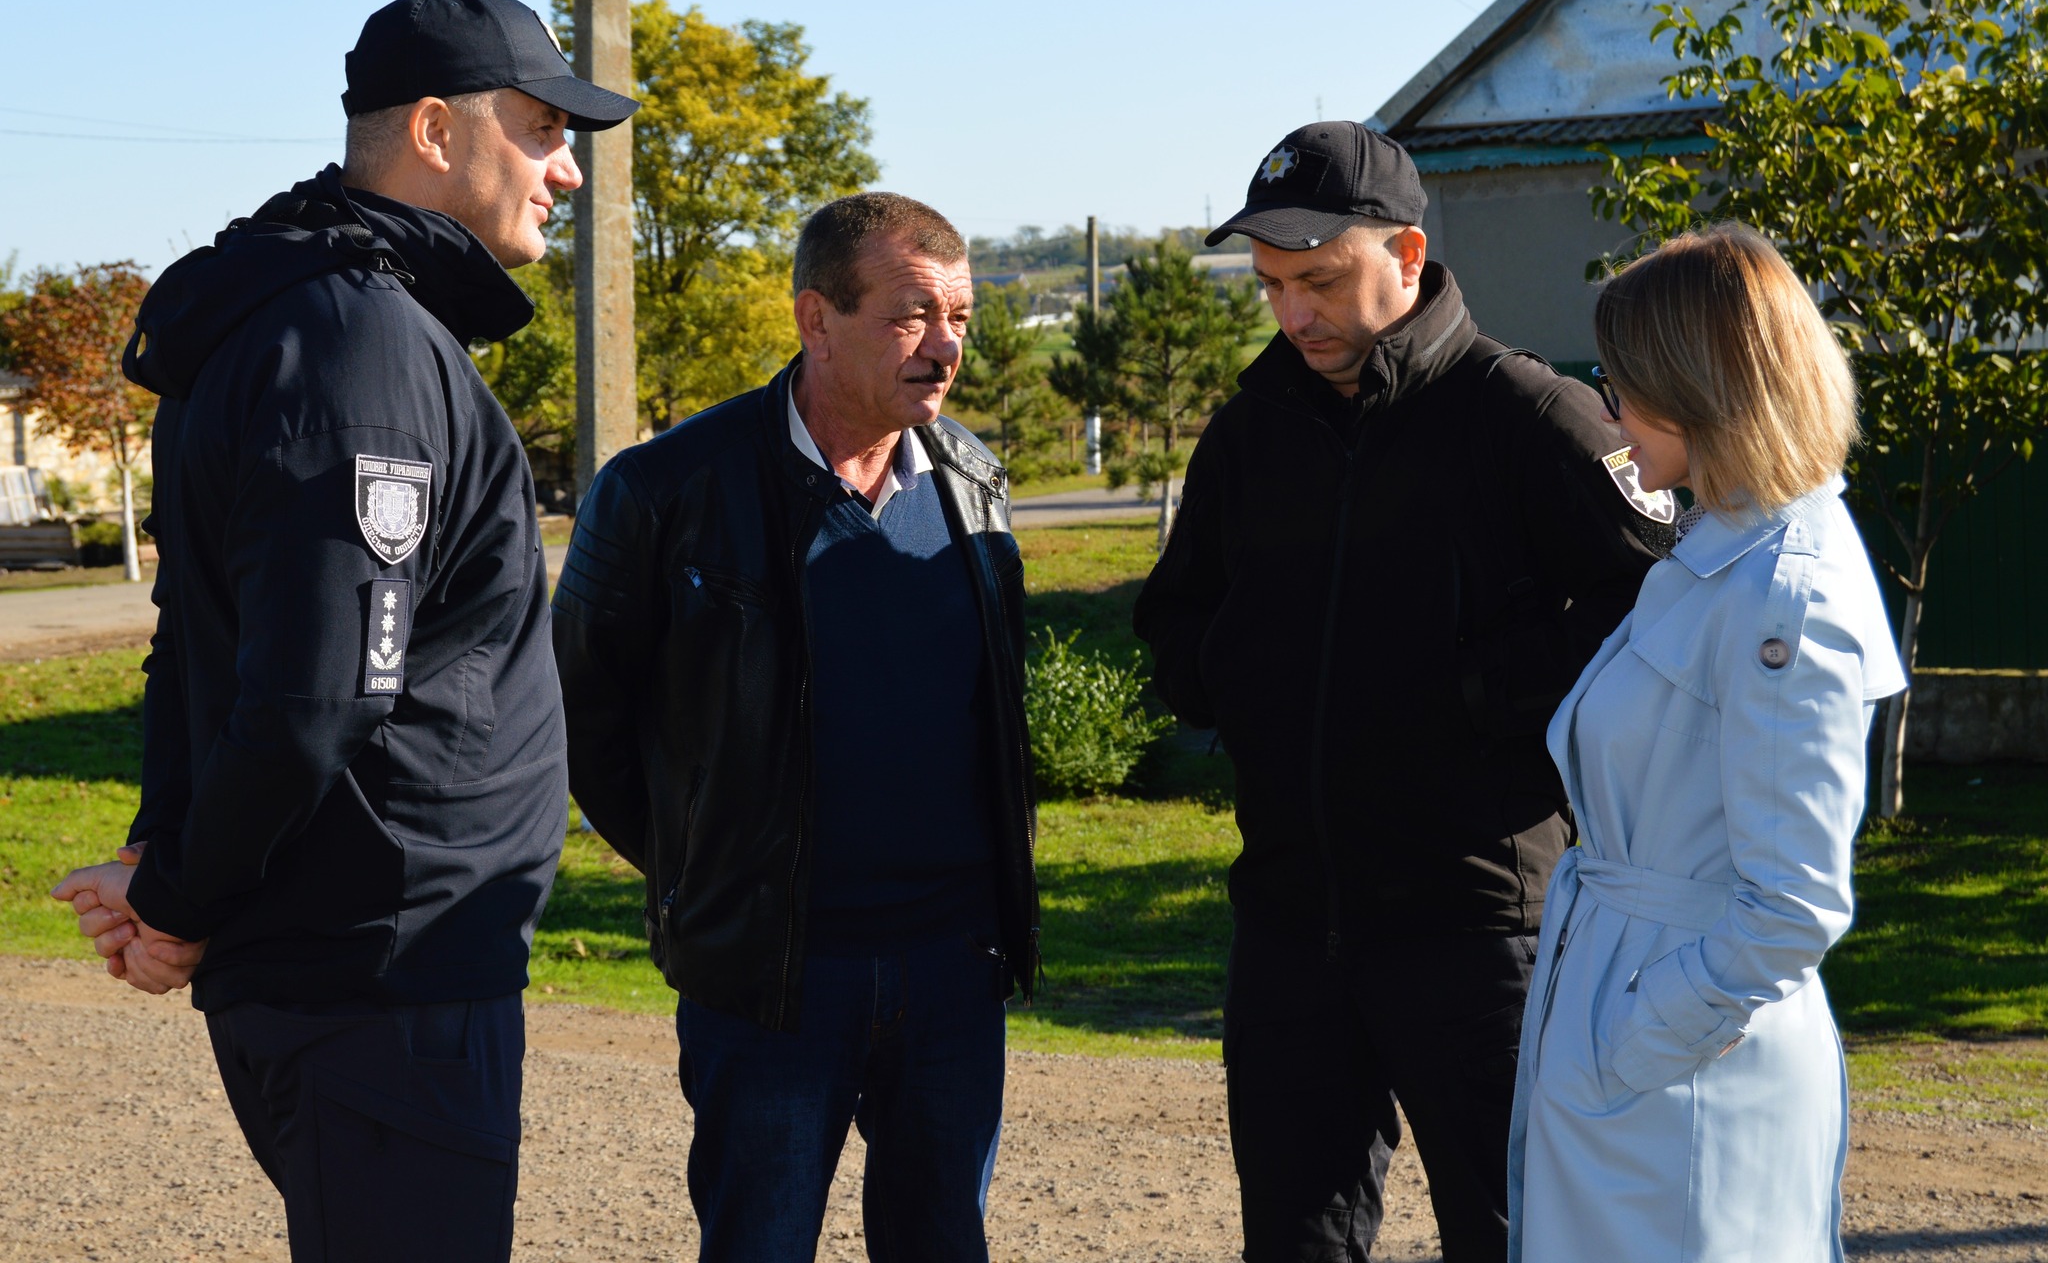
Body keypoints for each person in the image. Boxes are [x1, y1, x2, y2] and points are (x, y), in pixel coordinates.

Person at [50, 0, 637, 1262]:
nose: (567, 173)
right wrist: (186, 902)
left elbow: (198, 640)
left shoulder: (319, 316)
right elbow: (319, 689)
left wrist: (163, 861)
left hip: (368, 968)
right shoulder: (357, 341)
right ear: (435, 131)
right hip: (383, 977)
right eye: (541, 131)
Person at [1132, 121, 1674, 1263]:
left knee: (1518, 1234)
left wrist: (1473, 694)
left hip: (1477, 927)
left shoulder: (1527, 417)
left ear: (1408, 255)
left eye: (1320, 281)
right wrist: (1245, 674)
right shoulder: (1248, 434)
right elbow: (1173, 625)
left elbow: (1655, 618)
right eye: (1273, 286)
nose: (1293, 314)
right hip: (1287, 920)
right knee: (1296, 1241)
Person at [551, 190, 1039, 1263]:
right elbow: (581, 715)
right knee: (757, 1244)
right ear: (815, 320)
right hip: (772, 976)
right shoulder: (663, 489)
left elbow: (991, 713)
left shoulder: (972, 479)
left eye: (960, 315)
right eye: (912, 315)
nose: (945, 346)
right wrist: (707, 865)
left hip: (952, 966)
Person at [1507, 225, 1906, 1262]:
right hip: (1635, 1027)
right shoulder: (1720, 548)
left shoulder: (1785, 589)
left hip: (1682, 1069)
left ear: (1700, 385)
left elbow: (1795, 903)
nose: (1604, 408)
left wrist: (1634, 1037)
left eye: (1621, 381)